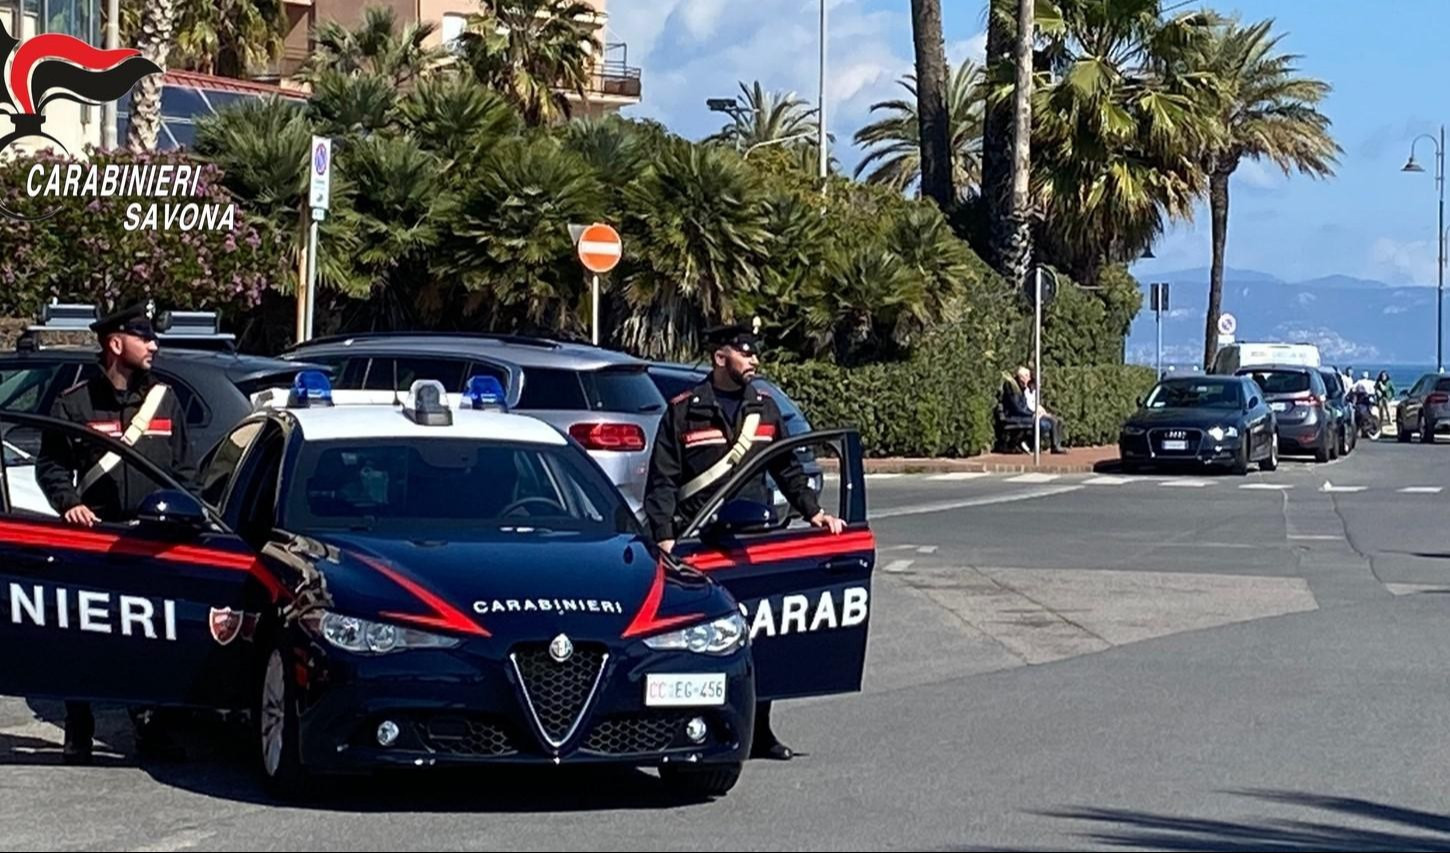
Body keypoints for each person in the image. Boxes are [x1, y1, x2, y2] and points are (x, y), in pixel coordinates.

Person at [643, 323, 845, 761]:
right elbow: (662, 482)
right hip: (700, 541)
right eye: (744, 353)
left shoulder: (765, 409)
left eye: (754, 354)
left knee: (761, 635)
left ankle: (760, 732)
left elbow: (788, 469)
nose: (753, 360)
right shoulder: (684, 411)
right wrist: (664, 537)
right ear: (720, 358)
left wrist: (815, 513)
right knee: (699, 637)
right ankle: (692, 727)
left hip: (755, 539)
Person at [34, 302, 194, 765]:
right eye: (145, 337)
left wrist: (179, 516)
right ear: (116, 343)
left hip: (150, 541)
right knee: (84, 634)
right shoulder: (74, 403)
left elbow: (186, 470)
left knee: (152, 637)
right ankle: (78, 726)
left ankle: (151, 728)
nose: (155, 346)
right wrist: (71, 504)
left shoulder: (165, 399)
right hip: (95, 542)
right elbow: (51, 466)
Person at [1003, 366, 1065, 454]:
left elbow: (1024, 406)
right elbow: (1017, 408)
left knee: (1052, 419)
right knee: (1042, 423)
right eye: (1027, 376)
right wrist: (1032, 414)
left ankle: (1055, 446)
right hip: (1016, 417)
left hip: (1024, 414)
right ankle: (1032, 445)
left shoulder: (1021, 388)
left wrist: (1037, 413)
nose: (1029, 378)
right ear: (1022, 377)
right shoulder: (1013, 388)